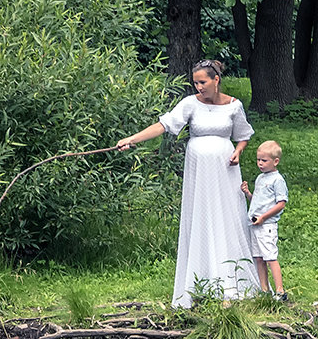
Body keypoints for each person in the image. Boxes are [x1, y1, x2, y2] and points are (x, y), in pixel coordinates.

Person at [117, 59, 259, 307]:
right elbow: (164, 125)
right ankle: (198, 281)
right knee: (201, 216)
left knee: (226, 216)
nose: (198, 87)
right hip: (199, 171)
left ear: (216, 80)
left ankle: (231, 281)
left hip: (225, 170)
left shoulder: (234, 106)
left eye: (202, 82)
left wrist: (238, 151)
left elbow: (243, 135)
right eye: (195, 83)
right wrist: (132, 139)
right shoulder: (190, 104)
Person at [240, 140, 288, 300]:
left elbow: (281, 204)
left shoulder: (277, 180)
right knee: (258, 258)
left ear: (275, 161)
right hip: (255, 223)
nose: (260, 163)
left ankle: (280, 291)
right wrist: (248, 194)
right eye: (258, 160)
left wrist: (263, 217)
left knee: (270, 257)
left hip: (266, 225)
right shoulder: (260, 178)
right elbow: (258, 201)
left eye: (264, 160)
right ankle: (265, 290)